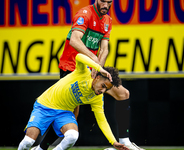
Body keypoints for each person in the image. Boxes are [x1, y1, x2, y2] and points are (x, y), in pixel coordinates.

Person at [32, 0, 145, 150]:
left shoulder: (107, 21)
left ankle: (124, 141)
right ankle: (41, 148)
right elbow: (74, 40)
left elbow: (105, 49)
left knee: (123, 93)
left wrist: (98, 66)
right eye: (103, 1)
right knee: (69, 117)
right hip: (72, 68)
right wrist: (94, 61)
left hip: (93, 69)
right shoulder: (84, 14)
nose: (106, 5)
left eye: (109, 2)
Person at [18, 53, 129, 150]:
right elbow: (79, 56)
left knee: (72, 136)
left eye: (106, 89)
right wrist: (98, 67)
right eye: (103, 86)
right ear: (97, 77)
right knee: (27, 142)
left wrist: (113, 142)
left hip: (64, 113)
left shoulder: (97, 98)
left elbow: (102, 121)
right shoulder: (83, 72)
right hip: (44, 105)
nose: (102, 90)